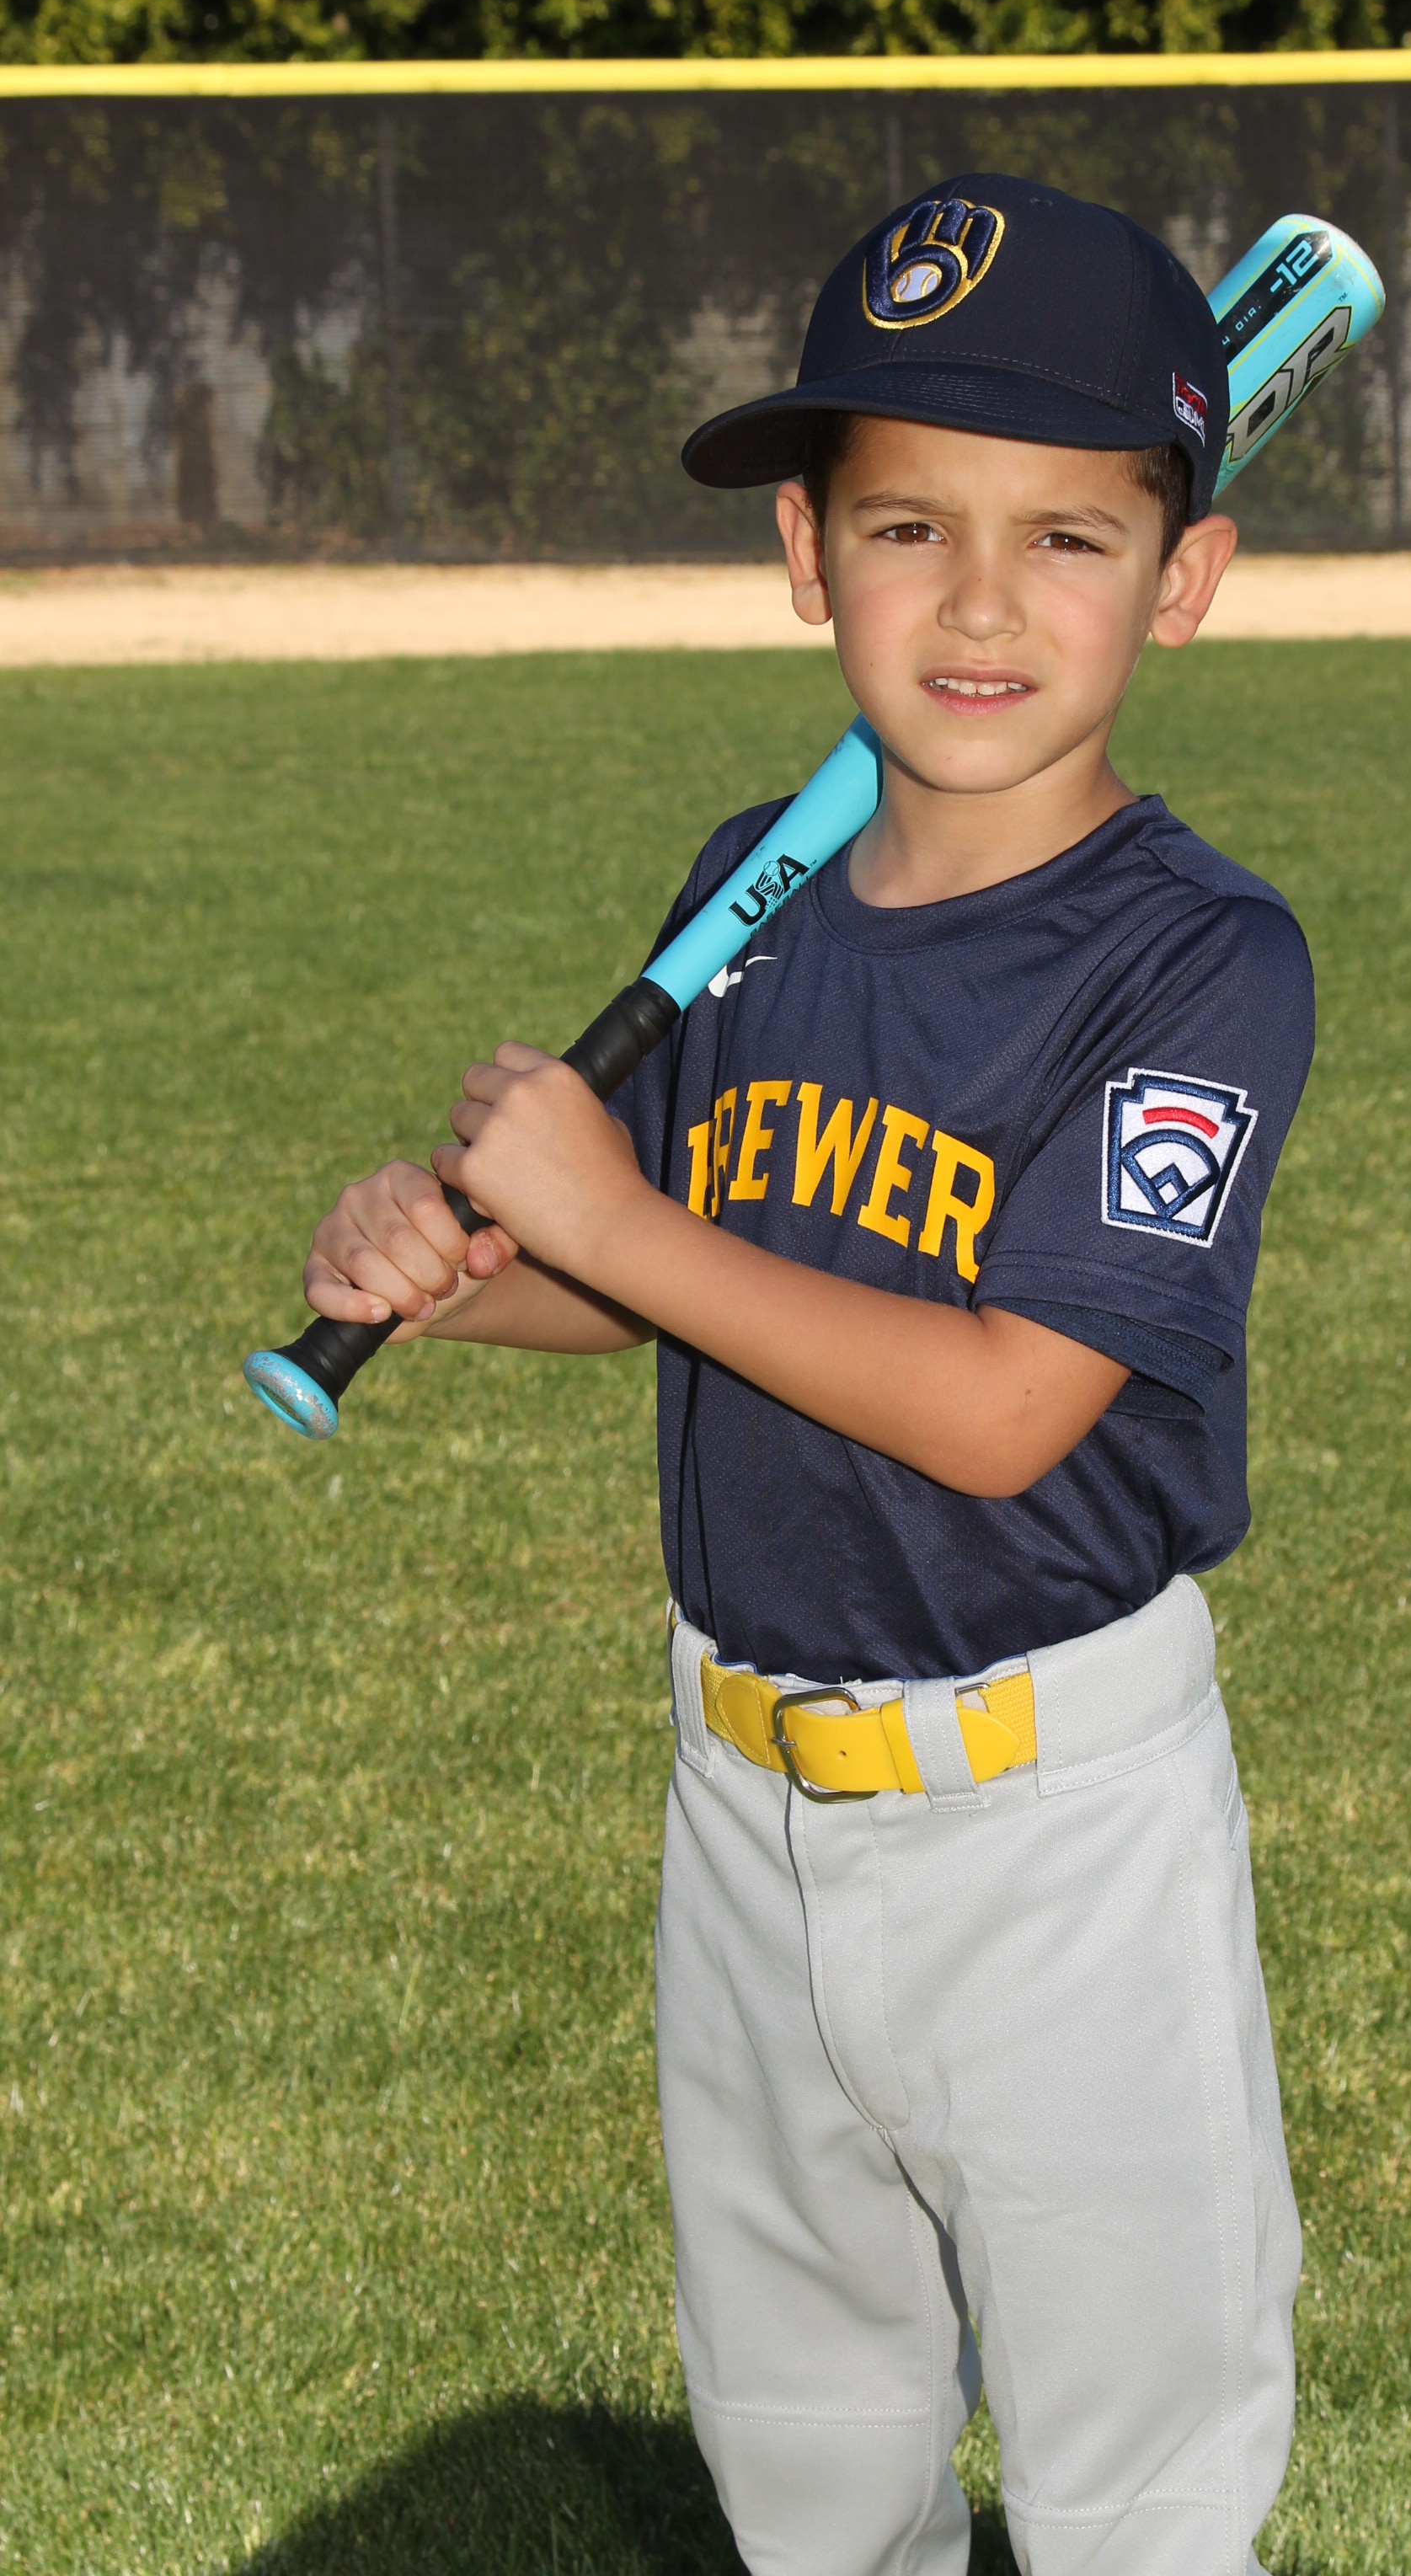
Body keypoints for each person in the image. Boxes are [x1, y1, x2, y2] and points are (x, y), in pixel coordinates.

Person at [302, 176, 1316, 2576]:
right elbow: (669, 1287)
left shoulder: (1194, 960)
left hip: (1054, 1826)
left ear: (1183, 580)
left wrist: (612, 1219)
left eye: (1067, 537)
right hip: (742, 1799)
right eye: (907, 526)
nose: (979, 604)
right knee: (808, 2460)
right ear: (803, 552)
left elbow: (997, 1407)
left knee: (1135, 2487)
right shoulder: (753, 882)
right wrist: (463, 1276)